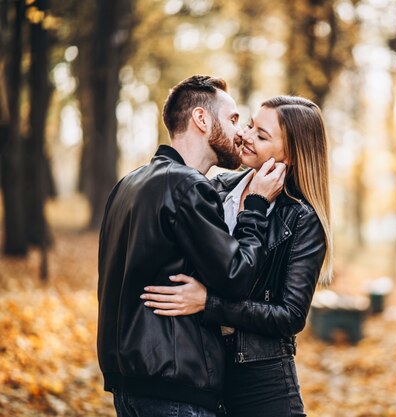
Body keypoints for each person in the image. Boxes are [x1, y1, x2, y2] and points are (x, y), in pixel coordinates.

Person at [97, 75, 286, 417]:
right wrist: (256, 204)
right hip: (174, 386)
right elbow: (237, 277)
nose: (240, 132)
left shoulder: (128, 184)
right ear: (201, 119)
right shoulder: (186, 185)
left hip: (129, 385)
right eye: (232, 120)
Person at [141, 96, 332, 417]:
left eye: (262, 136)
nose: (245, 135)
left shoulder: (302, 218)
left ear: (291, 156)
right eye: (250, 126)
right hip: (201, 367)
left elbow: (290, 316)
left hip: (262, 378)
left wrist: (208, 304)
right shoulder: (214, 188)